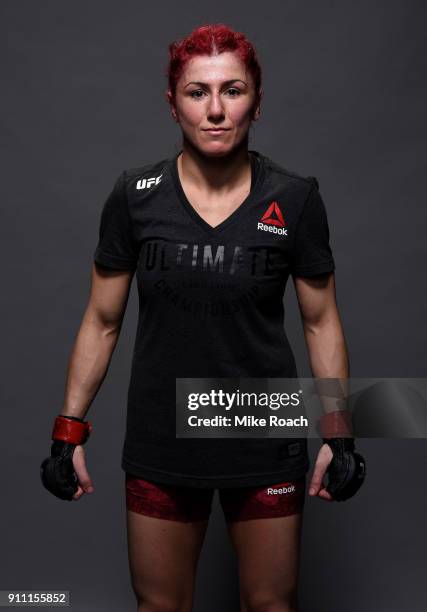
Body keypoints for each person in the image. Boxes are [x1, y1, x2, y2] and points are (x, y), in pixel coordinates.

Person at [41, 23, 365, 612]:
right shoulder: (135, 195)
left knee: (272, 604)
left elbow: (321, 322)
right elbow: (101, 320)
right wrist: (68, 431)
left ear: (257, 102)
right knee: (160, 606)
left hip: (263, 426)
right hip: (162, 433)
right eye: (197, 92)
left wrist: (339, 433)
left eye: (232, 90)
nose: (215, 110)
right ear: (174, 104)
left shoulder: (294, 199)